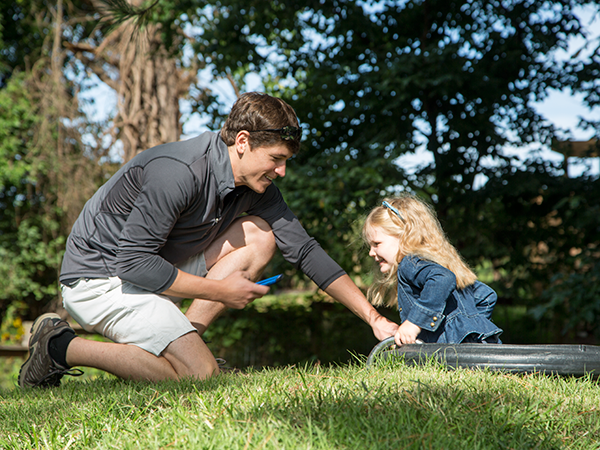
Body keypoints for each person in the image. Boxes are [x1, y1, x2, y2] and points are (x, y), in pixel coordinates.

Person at [19, 92, 399, 388]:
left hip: (151, 271)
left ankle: (184, 346)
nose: (282, 171)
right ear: (243, 141)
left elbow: (304, 250)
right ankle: (58, 346)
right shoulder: (179, 172)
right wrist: (221, 292)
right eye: (276, 158)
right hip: (99, 279)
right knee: (200, 378)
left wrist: (374, 319)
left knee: (261, 236)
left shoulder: (257, 186)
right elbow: (133, 263)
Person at [362, 194, 502, 346]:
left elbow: (443, 278)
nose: (371, 252)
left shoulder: (409, 263)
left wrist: (414, 323)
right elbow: (487, 295)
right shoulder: (440, 264)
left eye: (376, 243)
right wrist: (474, 328)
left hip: (454, 354)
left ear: (404, 236)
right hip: (481, 349)